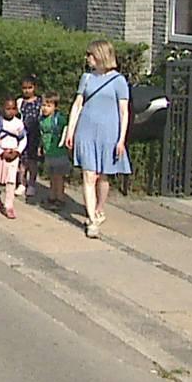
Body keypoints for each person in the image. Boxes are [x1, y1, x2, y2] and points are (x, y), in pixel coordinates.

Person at [64, 39, 132, 239]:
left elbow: (124, 111)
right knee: (88, 175)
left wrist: (121, 139)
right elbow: (78, 104)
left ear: (101, 56)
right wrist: (70, 131)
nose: (88, 58)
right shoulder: (86, 78)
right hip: (86, 131)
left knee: (103, 175)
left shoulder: (118, 81)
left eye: (91, 55)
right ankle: (92, 219)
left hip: (108, 133)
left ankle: (99, 208)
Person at [0, 97, 28, 219]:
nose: (10, 111)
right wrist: (0, 152)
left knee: (11, 180)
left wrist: (18, 151)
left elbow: (23, 139)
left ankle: (9, 205)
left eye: (13, 108)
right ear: (2, 109)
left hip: (13, 155)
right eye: (7, 108)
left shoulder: (18, 123)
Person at [39, 93, 71, 211]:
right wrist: (41, 147)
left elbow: (68, 128)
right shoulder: (42, 119)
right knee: (52, 176)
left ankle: (60, 198)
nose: (45, 108)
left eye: (48, 106)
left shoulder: (59, 119)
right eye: (43, 105)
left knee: (59, 177)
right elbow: (42, 135)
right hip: (49, 152)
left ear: (55, 107)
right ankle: (52, 196)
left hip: (59, 152)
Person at [17, 74, 44, 201]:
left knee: (32, 161)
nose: (27, 91)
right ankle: (22, 183)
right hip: (22, 135)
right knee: (22, 161)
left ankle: (32, 184)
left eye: (30, 88)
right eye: (24, 88)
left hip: (35, 134)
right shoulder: (20, 102)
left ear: (34, 87)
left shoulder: (40, 101)